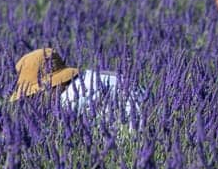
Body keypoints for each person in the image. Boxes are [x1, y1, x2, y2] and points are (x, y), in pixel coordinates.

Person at [9, 47, 139, 123]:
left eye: (35, 95)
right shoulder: (88, 76)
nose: (36, 101)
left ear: (52, 86)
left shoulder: (70, 100)